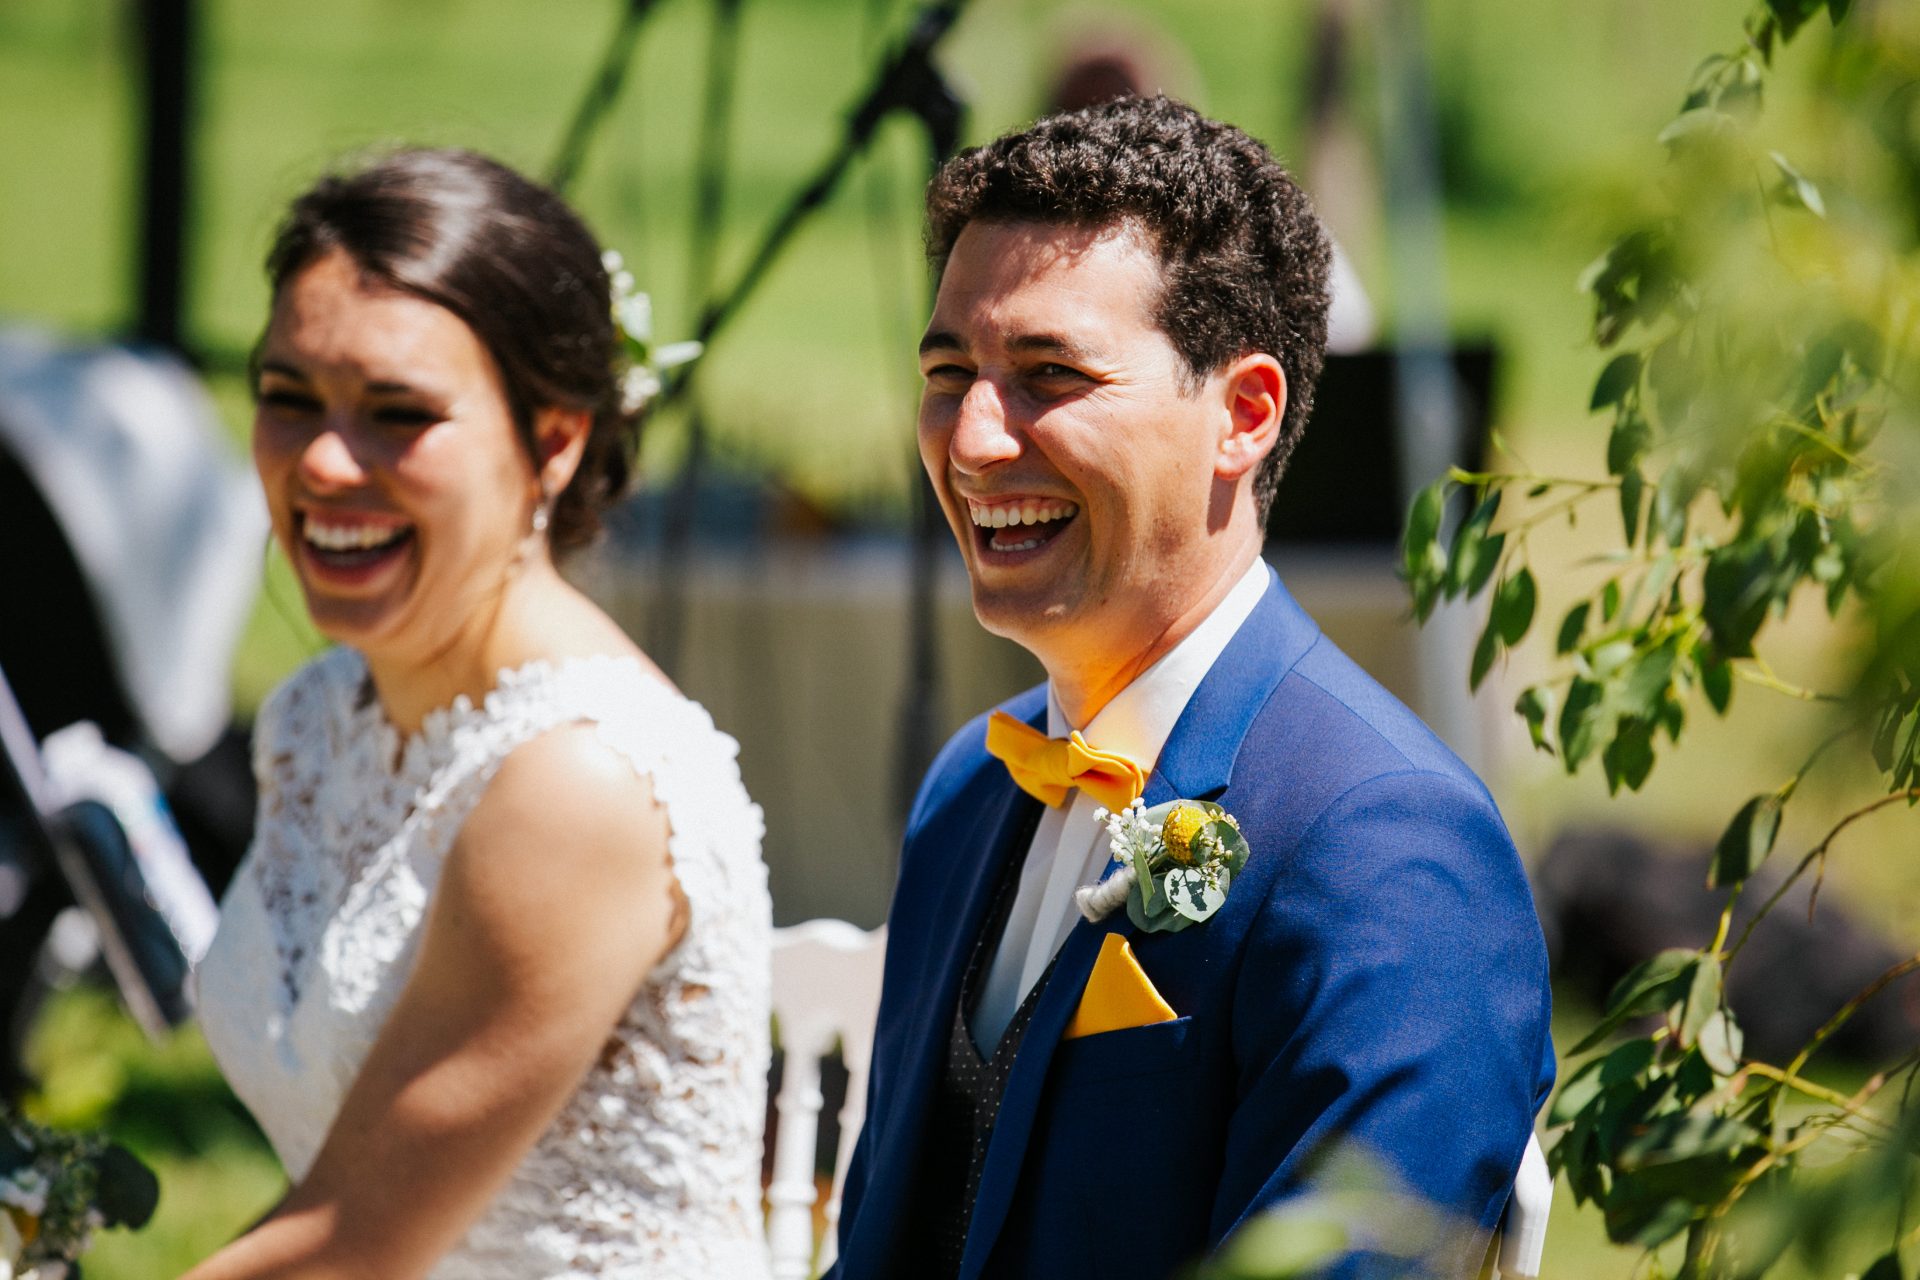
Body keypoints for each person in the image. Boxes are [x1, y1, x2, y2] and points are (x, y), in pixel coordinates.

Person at [831, 97, 1552, 1279]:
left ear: (1244, 414)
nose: (969, 439)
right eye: (949, 370)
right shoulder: (968, 789)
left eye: (1048, 375)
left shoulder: (1387, 848)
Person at [184, 149, 772, 1280]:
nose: (320, 461)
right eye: (286, 395)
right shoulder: (316, 718)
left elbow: (356, 1239)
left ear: (553, 439)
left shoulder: (579, 782)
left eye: (396, 413)